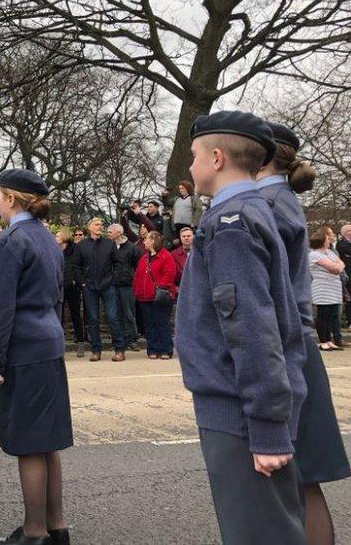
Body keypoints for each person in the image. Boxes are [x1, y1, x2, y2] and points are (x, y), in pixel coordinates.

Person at [175, 111, 307, 545]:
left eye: (193, 155)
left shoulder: (230, 222)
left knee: (259, 533)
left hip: (241, 413)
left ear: (215, 158)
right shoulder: (248, 211)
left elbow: (252, 326)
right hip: (246, 407)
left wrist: (267, 426)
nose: (189, 166)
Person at [258, 122, 350, 545]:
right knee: (303, 478)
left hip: (285, 344)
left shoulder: (267, 201)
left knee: (298, 478)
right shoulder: (282, 197)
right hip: (299, 340)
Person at [0, 169, 72, 545]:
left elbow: (1, 307)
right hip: (49, 340)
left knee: (28, 445)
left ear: (10, 199)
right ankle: (57, 526)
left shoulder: (10, 241)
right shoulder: (48, 240)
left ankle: (34, 532)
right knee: (47, 441)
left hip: (23, 346)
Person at [73, 218, 125, 361]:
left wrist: (113, 279)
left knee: (113, 317)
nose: (100, 226)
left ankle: (119, 349)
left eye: (101, 225)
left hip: (108, 285)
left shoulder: (109, 244)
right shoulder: (81, 245)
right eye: (96, 224)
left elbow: (118, 263)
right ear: (89, 227)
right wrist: (82, 282)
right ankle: (96, 350)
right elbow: (76, 266)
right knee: (93, 319)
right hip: (89, 286)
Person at [133, 231, 176, 359]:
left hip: (159, 296)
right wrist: (136, 289)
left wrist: (158, 287)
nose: (144, 241)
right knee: (149, 324)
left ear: (153, 241)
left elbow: (169, 274)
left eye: (146, 239)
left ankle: (165, 350)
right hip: (144, 297)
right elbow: (138, 275)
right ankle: (152, 349)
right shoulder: (144, 257)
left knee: (162, 323)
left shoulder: (165, 256)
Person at [106, 223, 142, 352]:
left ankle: (132, 339)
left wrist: (132, 278)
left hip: (127, 284)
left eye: (110, 232)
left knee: (129, 313)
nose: (108, 234)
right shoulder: (108, 247)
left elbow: (138, 266)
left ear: (119, 233)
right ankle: (118, 340)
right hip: (111, 284)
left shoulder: (132, 248)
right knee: (115, 315)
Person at [309, 227, 344, 352]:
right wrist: (336, 266)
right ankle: (323, 341)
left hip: (333, 287)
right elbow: (333, 268)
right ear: (322, 241)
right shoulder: (314, 254)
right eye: (327, 240)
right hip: (322, 288)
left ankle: (329, 340)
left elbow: (341, 265)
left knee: (331, 315)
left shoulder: (329, 253)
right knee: (323, 315)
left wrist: (337, 266)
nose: (329, 241)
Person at [55, 230, 84, 357]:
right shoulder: (55, 251)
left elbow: (78, 266)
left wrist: (76, 281)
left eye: (57, 236)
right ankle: (59, 346)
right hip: (59, 287)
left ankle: (80, 343)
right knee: (59, 316)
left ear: (64, 238)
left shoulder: (75, 249)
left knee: (76, 315)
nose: (55, 238)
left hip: (72, 286)